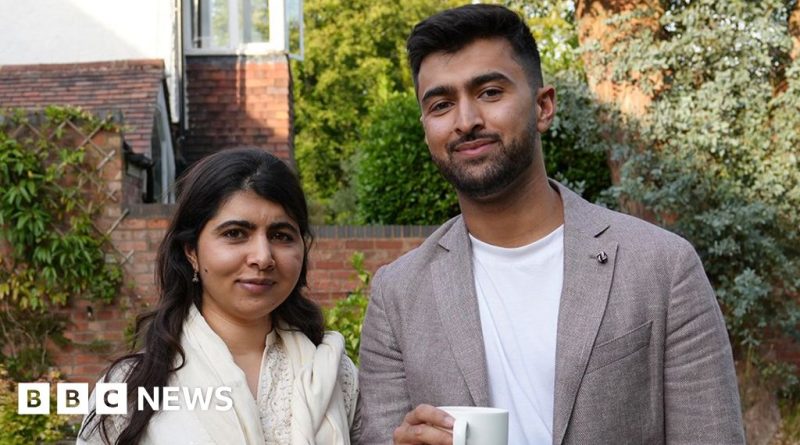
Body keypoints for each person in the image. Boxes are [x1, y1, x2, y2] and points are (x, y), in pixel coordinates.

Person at [358, 4, 745, 445]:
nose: (466, 121)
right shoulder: (398, 295)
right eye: (442, 104)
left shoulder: (663, 267)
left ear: (543, 106)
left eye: (489, 92)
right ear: (427, 128)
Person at [78, 147, 361, 444]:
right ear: (191, 252)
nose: (263, 257)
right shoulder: (131, 387)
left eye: (281, 236)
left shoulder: (333, 375)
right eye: (235, 233)